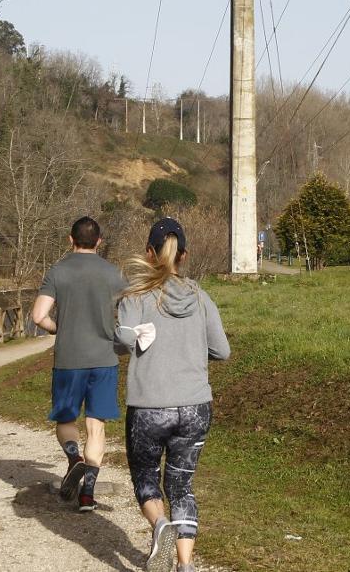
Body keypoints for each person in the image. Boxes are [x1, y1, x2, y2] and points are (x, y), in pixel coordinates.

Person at [115, 217, 230, 572]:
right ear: (185, 255)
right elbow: (222, 351)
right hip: (195, 407)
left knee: (146, 478)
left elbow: (121, 341)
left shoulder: (135, 297)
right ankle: (185, 564)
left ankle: (159, 525)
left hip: (149, 407)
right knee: (182, 486)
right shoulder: (201, 296)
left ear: (149, 253)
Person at [31, 215, 126, 513]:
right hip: (104, 359)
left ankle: (74, 459)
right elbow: (130, 313)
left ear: (70, 239)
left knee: (66, 420)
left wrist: (56, 328)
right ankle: (87, 495)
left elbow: (38, 316)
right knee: (95, 426)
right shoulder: (113, 274)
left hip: (69, 359)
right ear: (99, 241)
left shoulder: (58, 272)